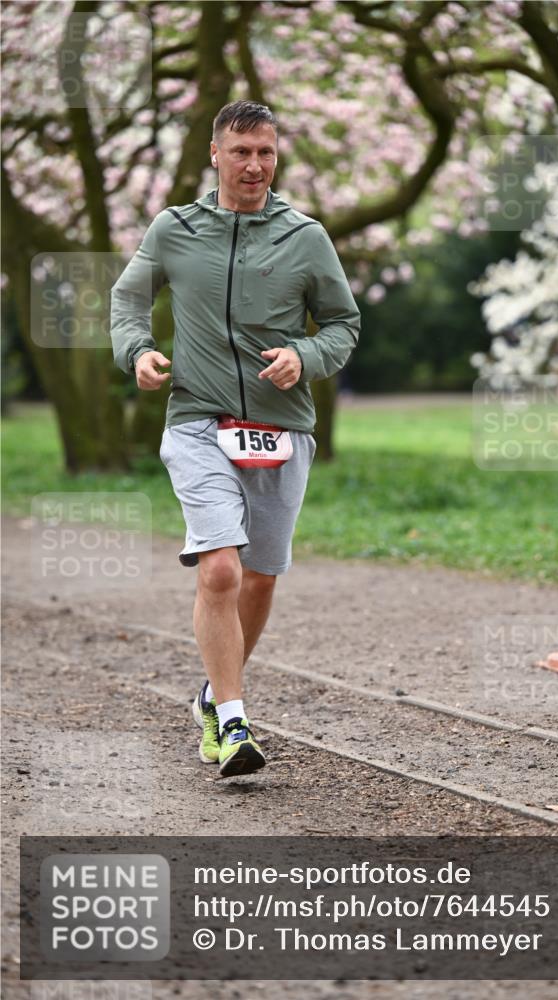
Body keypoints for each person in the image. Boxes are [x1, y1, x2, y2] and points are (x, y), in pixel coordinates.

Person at [111, 100, 360, 777]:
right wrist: (137, 349)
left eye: (266, 152)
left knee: (258, 578)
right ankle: (233, 720)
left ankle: (212, 699)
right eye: (241, 151)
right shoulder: (175, 229)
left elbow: (342, 324)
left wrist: (303, 359)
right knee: (219, 567)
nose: (254, 164)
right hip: (197, 420)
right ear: (215, 156)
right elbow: (128, 298)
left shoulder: (305, 236)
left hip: (282, 430)